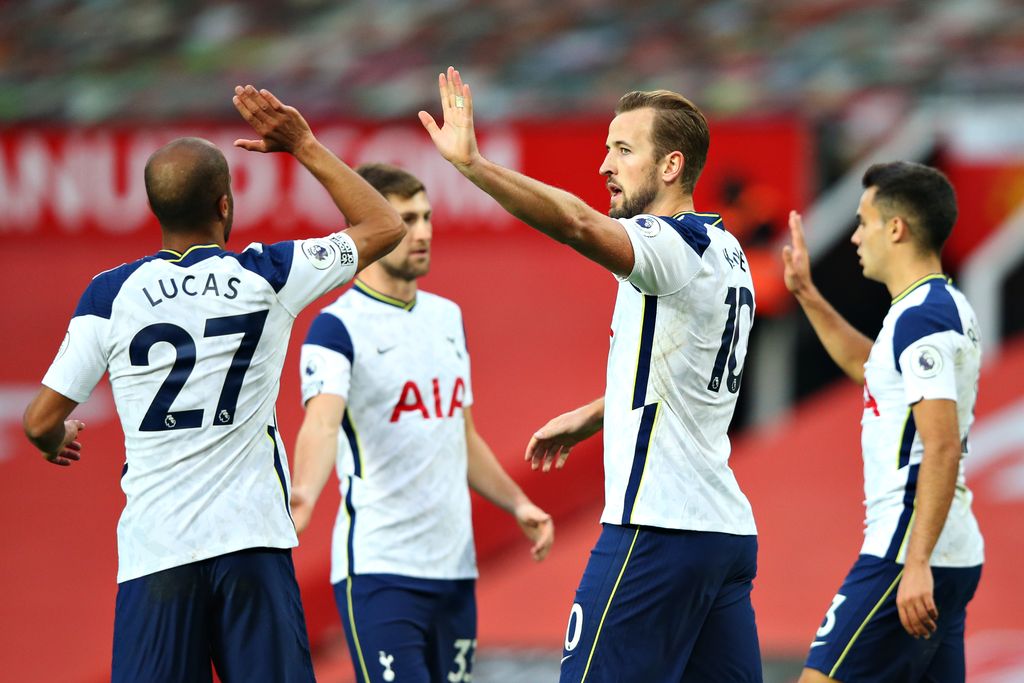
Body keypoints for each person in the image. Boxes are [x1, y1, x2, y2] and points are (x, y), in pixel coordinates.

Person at [20, 85, 405, 682]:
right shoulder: (267, 274)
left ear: (155, 211)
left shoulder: (109, 295)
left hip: (157, 555)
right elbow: (383, 223)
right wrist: (302, 143)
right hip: (251, 542)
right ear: (225, 206)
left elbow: (40, 421)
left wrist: (55, 439)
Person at [420, 67, 761, 682]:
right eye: (607, 148)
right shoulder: (726, 252)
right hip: (723, 535)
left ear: (671, 167)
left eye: (624, 151)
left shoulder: (666, 244)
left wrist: (474, 166)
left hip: (656, 528)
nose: (605, 164)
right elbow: (684, 374)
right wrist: (602, 411)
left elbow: (577, 224)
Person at [290, 161, 555, 683]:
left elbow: (461, 434)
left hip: (454, 569)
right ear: (367, 227)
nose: (425, 232)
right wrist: (301, 498)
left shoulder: (446, 316)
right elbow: (322, 424)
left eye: (428, 216)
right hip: (381, 571)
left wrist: (517, 501)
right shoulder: (336, 328)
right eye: (406, 219)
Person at [782, 161, 984, 682]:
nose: (854, 236)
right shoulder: (937, 306)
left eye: (863, 221)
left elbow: (938, 446)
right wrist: (807, 293)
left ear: (896, 228)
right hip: (949, 550)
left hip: (906, 551)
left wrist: (914, 564)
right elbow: (870, 369)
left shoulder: (924, 318)